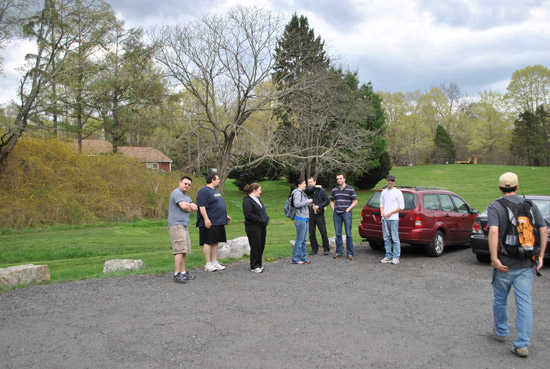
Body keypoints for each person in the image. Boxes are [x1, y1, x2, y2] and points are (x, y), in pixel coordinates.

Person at [488, 172, 547, 358]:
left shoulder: (495, 206)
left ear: (499, 187)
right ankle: (522, 344)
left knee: (500, 298)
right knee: (524, 303)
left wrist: (494, 258)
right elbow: (543, 229)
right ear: (517, 186)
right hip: (525, 263)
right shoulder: (529, 205)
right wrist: (541, 255)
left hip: (504, 263)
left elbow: (494, 231)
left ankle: (502, 332)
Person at [196, 173, 232, 272]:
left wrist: (224, 216)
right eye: (218, 179)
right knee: (208, 242)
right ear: (212, 180)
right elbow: (202, 206)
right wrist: (206, 219)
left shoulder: (215, 191)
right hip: (209, 222)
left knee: (215, 242)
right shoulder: (204, 191)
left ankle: (214, 261)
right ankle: (208, 264)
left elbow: (216, 205)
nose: (219, 180)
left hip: (218, 221)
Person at [168, 176, 198, 283]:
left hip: (184, 225)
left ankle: (183, 272)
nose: (187, 186)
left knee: (184, 250)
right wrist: (188, 206)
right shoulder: (176, 193)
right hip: (176, 225)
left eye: (189, 185)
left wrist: (188, 205)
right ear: (180, 183)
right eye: (185, 183)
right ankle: (177, 273)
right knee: (179, 250)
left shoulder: (186, 196)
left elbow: (195, 207)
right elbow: (184, 207)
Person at [242, 183, 270, 273]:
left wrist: (266, 218)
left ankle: (259, 263)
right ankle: (254, 265)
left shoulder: (258, 200)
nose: (260, 192)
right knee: (255, 245)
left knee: (261, 245)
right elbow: (248, 214)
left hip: (261, 226)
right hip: (253, 226)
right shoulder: (247, 201)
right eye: (259, 190)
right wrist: (259, 220)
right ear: (254, 190)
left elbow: (262, 211)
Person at [330, 173, 358, 260]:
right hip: (337, 214)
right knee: (338, 234)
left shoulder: (350, 189)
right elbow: (331, 200)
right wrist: (333, 209)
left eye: (340, 178)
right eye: (337, 179)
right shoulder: (334, 190)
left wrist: (348, 209)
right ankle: (339, 252)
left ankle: (350, 253)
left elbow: (355, 201)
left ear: (344, 179)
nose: (339, 180)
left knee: (348, 234)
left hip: (346, 213)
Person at [379, 174, 405, 265]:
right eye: (388, 180)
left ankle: (396, 257)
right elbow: (381, 204)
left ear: (394, 182)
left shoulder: (397, 192)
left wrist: (390, 213)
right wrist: (382, 212)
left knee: (395, 238)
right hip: (384, 219)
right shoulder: (383, 192)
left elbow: (401, 206)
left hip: (393, 219)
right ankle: (388, 255)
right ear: (386, 181)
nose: (389, 182)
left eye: (391, 181)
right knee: (386, 238)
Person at [304, 177, 330, 255]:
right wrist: (314, 187)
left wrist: (319, 206)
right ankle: (314, 249)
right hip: (310, 214)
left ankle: (326, 249)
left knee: (323, 232)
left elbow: (327, 201)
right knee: (311, 233)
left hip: (319, 214)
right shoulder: (307, 191)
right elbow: (306, 190)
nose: (310, 184)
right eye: (309, 182)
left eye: (311, 182)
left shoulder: (321, 191)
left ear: (315, 182)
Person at [290, 178, 313, 264]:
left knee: (303, 239)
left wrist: (309, 204)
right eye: (303, 183)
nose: (305, 185)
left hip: (305, 218)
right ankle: (295, 258)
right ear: (299, 184)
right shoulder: (297, 193)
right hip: (300, 218)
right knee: (300, 239)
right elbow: (297, 204)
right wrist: (307, 201)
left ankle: (303, 257)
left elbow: (303, 204)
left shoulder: (302, 193)